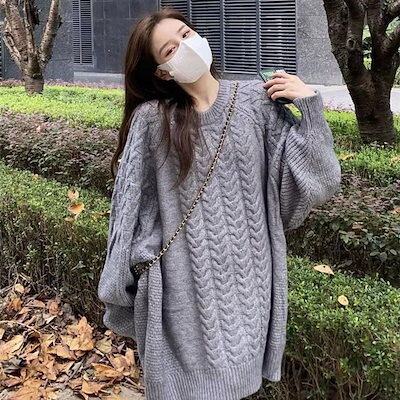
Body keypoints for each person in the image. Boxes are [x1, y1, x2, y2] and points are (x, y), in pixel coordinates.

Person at [97, 6, 342, 400]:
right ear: (163, 72)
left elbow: (317, 182)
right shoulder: (152, 120)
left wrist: (310, 108)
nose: (185, 46)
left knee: (239, 384)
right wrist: (133, 274)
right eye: (170, 49)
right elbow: (128, 212)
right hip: (180, 288)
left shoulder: (257, 103)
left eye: (186, 33)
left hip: (250, 285)